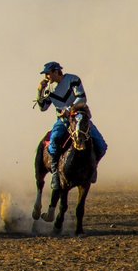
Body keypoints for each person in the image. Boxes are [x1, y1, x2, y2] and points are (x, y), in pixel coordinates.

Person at [36, 61, 107, 190]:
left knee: (101, 145)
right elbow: (43, 108)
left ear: (56, 71)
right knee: (53, 143)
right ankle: (55, 175)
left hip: (79, 117)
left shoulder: (73, 80)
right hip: (62, 121)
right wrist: (39, 91)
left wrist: (69, 109)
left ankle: (92, 168)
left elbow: (81, 98)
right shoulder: (49, 88)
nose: (46, 77)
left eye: (48, 74)